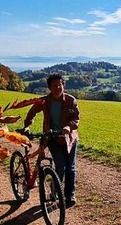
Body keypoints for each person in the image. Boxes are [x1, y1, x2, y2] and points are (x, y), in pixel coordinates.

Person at [22, 73, 80, 207]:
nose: (57, 88)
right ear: (49, 87)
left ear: (63, 86)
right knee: (60, 167)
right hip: (52, 138)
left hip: (69, 138)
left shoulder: (71, 100)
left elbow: (76, 119)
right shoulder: (44, 101)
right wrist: (27, 126)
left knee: (71, 169)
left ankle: (70, 195)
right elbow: (32, 113)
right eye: (54, 85)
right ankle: (55, 192)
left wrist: (68, 127)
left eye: (60, 85)